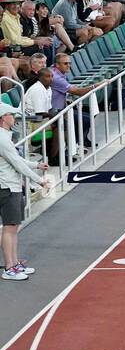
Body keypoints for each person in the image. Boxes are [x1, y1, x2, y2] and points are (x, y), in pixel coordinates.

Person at [0, 103, 52, 281]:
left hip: (13, 185)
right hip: (7, 187)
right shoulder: (1, 138)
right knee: (9, 227)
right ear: (3, 118)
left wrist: (36, 165)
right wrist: (39, 180)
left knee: (14, 226)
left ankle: (14, 263)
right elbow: (17, 163)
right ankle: (9, 267)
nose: (14, 118)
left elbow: (17, 159)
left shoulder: (5, 137)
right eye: (10, 115)